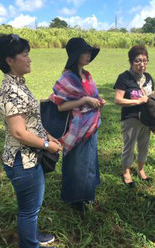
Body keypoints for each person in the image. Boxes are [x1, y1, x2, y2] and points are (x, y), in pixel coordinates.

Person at [0, 34, 62, 248]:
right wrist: (47, 145)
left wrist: (46, 134)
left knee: (31, 207)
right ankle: (29, 243)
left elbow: (30, 120)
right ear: (9, 60)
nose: (29, 59)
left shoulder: (19, 84)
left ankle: (32, 235)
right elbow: (19, 133)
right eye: (24, 55)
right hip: (23, 161)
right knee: (28, 210)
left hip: (30, 158)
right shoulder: (10, 92)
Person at [49, 38, 105, 211]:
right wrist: (85, 100)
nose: (88, 55)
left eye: (89, 52)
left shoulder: (87, 76)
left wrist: (97, 100)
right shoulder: (67, 77)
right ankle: (74, 200)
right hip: (75, 128)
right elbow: (60, 106)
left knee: (88, 161)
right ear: (75, 55)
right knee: (75, 164)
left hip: (91, 126)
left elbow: (93, 96)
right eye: (85, 52)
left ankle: (86, 195)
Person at [114, 45, 154, 187]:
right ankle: (126, 172)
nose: (142, 64)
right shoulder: (124, 77)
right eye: (138, 61)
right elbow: (118, 100)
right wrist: (137, 101)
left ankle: (141, 170)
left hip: (146, 119)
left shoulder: (148, 78)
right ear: (131, 61)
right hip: (130, 118)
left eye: (144, 60)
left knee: (144, 145)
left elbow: (152, 98)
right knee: (129, 146)